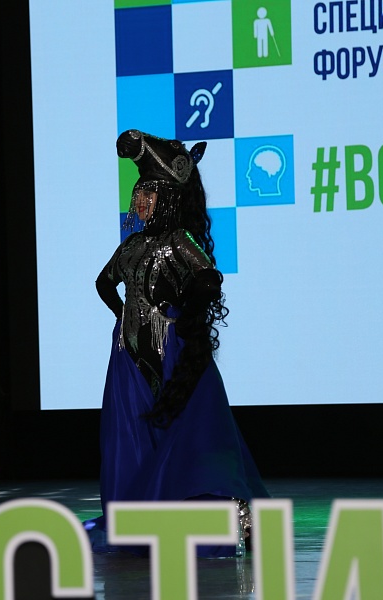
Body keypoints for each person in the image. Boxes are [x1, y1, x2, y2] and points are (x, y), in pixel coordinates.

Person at [85, 130, 269, 558]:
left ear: (168, 197)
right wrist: (123, 316)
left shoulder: (179, 242)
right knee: (129, 435)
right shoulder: (131, 246)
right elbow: (103, 283)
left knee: (195, 433)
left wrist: (183, 315)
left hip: (172, 351)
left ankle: (233, 516)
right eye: (139, 194)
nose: (141, 203)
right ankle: (139, 518)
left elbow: (208, 278)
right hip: (128, 357)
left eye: (149, 194)